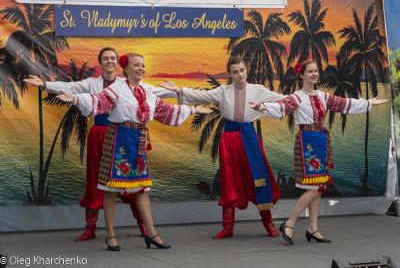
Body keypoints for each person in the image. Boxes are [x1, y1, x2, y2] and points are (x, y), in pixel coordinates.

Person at [56, 52, 212, 251]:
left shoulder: (146, 92)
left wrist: (192, 110)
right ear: (126, 68)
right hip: (119, 138)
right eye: (136, 65)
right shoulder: (117, 88)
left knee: (142, 189)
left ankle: (152, 234)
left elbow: (164, 110)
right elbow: (98, 100)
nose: (141, 68)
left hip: (138, 141)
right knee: (111, 189)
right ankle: (110, 235)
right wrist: (75, 99)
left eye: (143, 65)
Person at [23, 47, 177, 241]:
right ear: (100, 62)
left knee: (132, 178)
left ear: (119, 63)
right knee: (96, 179)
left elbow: (153, 92)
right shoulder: (92, 83)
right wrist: (44, 85)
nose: (109, 61)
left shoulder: (127, 83)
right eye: (105, 58)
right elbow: (71, 88)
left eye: (113, 58)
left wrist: (181, 92)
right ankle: (91, 228)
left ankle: (144, 226)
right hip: (99, 133)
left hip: (123, 134)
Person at [250, 60, 388, 245]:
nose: (315, 74)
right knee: (315, 186)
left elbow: (345, 104)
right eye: (310, 71)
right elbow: (281, 107)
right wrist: (263, 108)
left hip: (321, 140)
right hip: (307, 142)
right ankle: (289, 223)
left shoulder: (323, 96)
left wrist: (370, 103)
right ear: (301, 75)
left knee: (318, 187)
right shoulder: (297, 97)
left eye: (316, 71)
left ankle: (312, 228)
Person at [158, 57, 285, 239]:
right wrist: (178, 89)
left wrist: (306, 97)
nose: (240, 74)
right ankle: (228, 227)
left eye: (242, 70)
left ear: (246, 70)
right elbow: (201, 96)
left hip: (250, 138)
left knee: (259, 178)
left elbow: (284, 100)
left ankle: (268, 223)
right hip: (230, 139)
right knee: (229, 179)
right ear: (230, 74)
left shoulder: (258, 90)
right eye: (235, 71)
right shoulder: (223, 91)